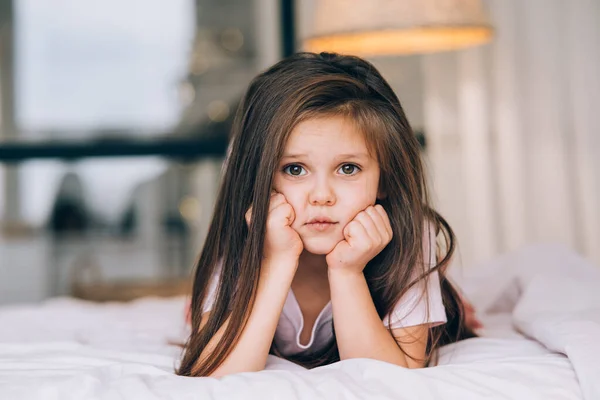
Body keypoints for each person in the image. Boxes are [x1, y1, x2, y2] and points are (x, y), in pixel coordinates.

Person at [177, 52, 480, 378]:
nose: (322, 196)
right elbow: (214, 376)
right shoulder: (244, 230)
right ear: (259, 178)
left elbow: (395, 376)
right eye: (294, 169)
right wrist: (275, 261)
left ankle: (450, 305)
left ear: (385, 180)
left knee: (452, 312)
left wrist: (347, 272)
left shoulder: (409, 232)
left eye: (348, 168)